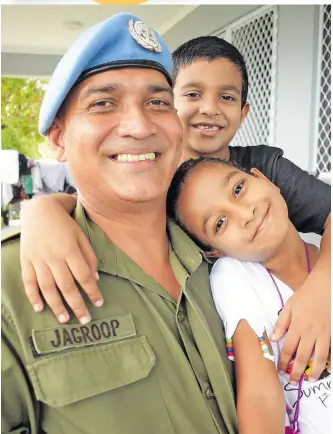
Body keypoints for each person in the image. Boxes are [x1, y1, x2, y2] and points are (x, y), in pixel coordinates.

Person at [19, 35, 331, 384]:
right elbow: (101, 203)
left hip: (288, 334)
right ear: (170, 105)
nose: (209, 108)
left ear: (244, 113)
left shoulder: (262, 166)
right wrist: (41, 211)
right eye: (193, 94)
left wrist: (321, 287)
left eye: (226, 97)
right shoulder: (153, 181)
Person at [1, 14, 239, 434]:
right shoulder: (11, 286)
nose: (140, 125)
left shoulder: (223, 244)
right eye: (103, 103)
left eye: (158, 102)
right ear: (58, 138)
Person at [167, 156, 331, 434]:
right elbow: (259, 394)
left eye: (239, 189)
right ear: (214, 251)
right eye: (219, 223)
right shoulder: (237, 279)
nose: (245, 215)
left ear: (265, 180)